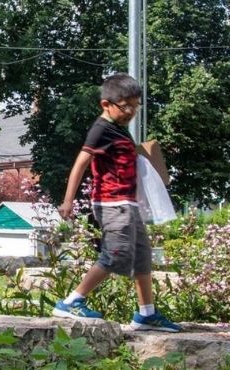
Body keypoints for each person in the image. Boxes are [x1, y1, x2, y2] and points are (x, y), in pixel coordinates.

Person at [53, 73, 181, 332]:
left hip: (128, 203)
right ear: (106, 104)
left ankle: (146, 314)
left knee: (143, 257)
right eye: (126, 106)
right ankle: (71, 301)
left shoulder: (119, 131)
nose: (131, 111)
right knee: (116, 253)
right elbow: (81, 164)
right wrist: (68, 201)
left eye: (135, 105)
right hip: (112, 203)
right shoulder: (100, 129)